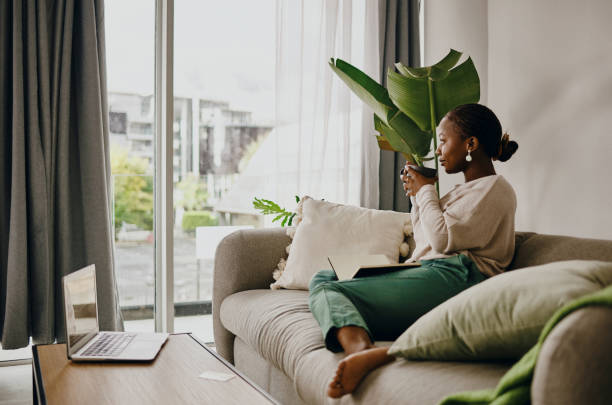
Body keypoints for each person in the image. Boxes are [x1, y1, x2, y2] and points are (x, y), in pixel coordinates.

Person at [307, 103, 519, 398]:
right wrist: (418, 199)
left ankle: (360, 351)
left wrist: (426, 191)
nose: (440, 151)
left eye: (444, 141)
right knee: (324, 278)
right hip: (431, 270)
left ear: (470, 144)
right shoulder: (461, 192)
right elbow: (426, 242)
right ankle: (360, 339)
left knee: (336, 292)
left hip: (461, 277)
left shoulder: (496, 189)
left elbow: (444, 241)